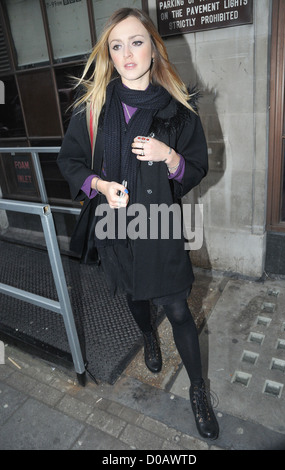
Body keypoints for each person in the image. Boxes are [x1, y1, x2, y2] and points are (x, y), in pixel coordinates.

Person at [57, 8, 219, 440]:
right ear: (108, 55)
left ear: (153, 48)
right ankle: (147, 336)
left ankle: (198, 390)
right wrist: (99, 185)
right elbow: (69, 161)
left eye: (135, 42)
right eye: (116, 45)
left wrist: (170, 157)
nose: (126, 53)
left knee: (179, 308)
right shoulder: (93, 107)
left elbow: (197, 168)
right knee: (132, 294)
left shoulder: (179, 109)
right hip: (115, 225)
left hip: (159, 225)